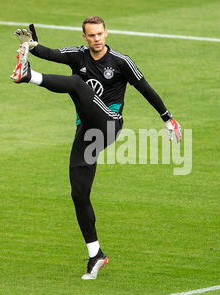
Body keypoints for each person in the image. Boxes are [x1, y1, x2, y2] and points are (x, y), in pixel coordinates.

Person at [10, 16, 182, 280]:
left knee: (77, 84)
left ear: (106, 33)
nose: (96, 39)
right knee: (79, 193)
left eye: (100, 34)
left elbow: (145, 88)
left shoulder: (122, 62)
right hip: (87, 133)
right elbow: (53, 53)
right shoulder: (78, 56)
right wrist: (33, 45)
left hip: (110, 124)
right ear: (84, 37)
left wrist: (167, 118)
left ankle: (28, 76)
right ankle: (96, 255)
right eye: (91, 35)